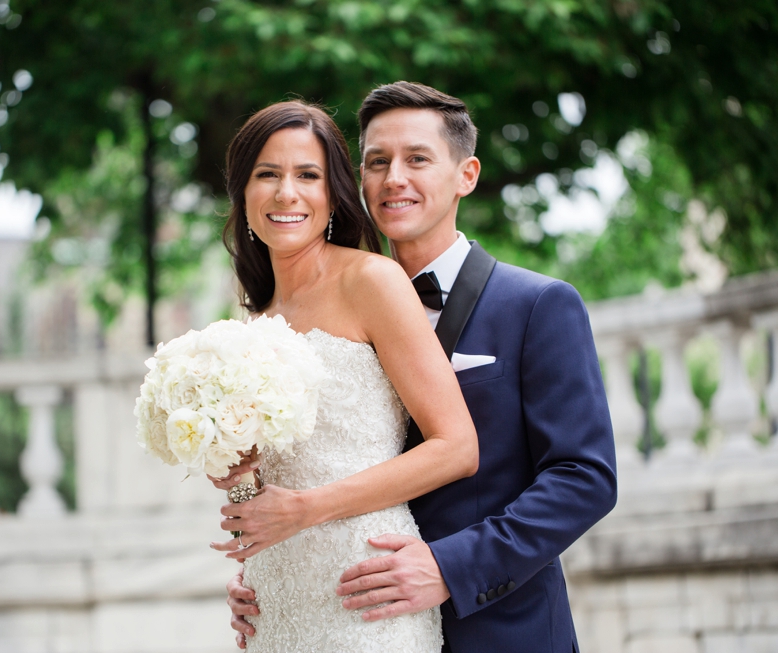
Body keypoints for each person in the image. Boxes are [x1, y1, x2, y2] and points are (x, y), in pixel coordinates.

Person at [222, 82, 618, 652]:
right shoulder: (321, 302)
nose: (393, 179)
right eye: (376, 162)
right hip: (343, 612)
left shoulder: (537, 305)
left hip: (499, 627)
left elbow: (584, 480)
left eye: (418, 160)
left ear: (467, 174)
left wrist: (450, 567)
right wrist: (269, 575)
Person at [208, 99, 480, 651]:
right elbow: (268, 493)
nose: (287, 193)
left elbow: (457, 447)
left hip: (370, 591)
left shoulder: (373, 282)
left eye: (307, 175)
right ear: (243, 193)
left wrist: (305, 510)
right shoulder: (252, 324)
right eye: (267, 174)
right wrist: (239, 476)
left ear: (333, 192)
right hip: (276, 604)